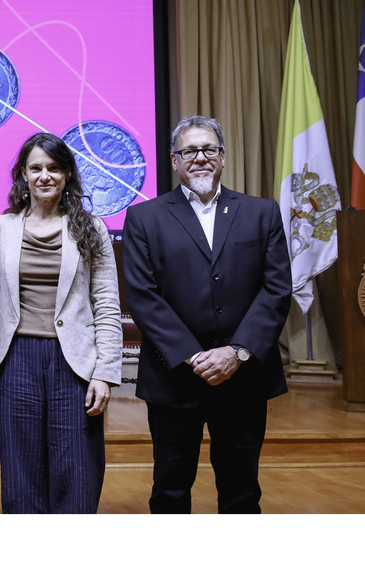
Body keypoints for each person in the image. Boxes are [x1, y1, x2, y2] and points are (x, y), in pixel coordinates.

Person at [122, 115, 292, 513]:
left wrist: (236, 352)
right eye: (189, 151)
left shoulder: (262, 213)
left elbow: (276, 290)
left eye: (209, 149)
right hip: (175, 378)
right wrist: (193, 355)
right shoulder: (144, 217)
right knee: (170, 489)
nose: (200, 158)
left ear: (223, 157)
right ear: (174, 160)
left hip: (243, 376)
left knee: (242, 491)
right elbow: (143, 295)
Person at [0, 132, 122, 514]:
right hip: (15, 360)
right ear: (23, 175)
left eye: (54, 168)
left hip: (75, 361)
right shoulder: (0, 228)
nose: (45, 176)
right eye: (36, 168)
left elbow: (107, 304)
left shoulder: (92, 228)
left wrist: (105, 373)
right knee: (20, 471)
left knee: (77, 469)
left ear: (67, 174)